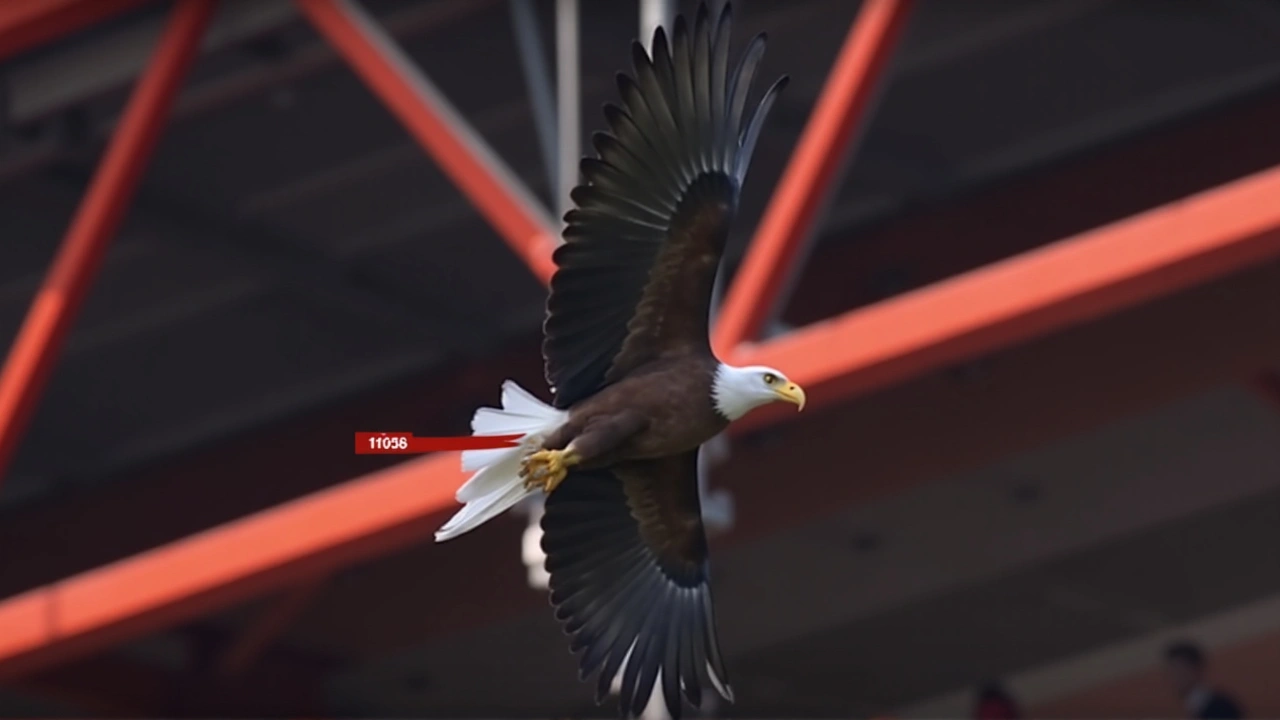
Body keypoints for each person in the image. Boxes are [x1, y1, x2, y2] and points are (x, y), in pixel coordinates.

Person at [1163, 640, 1244, 719]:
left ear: (1197, 669)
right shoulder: (1194, 706)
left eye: (1180, 671)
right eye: (1171, 672)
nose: (1175, 678)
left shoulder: (1220, 706)